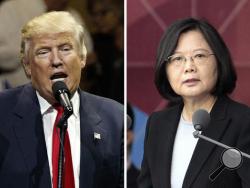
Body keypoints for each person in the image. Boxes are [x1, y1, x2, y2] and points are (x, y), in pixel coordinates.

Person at [0, 11, 123, 188]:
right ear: (27, 66)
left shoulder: (115, 119)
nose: (56, 60)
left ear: (82, 57)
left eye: (65, 49)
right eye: (43, 52)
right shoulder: (3, 113)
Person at [138, 18, 250, 188]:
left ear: (219, 61)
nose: (189, 67)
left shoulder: (243, 122)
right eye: (177, 58)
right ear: (165, 69)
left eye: (199, 56)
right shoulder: (157, 123)